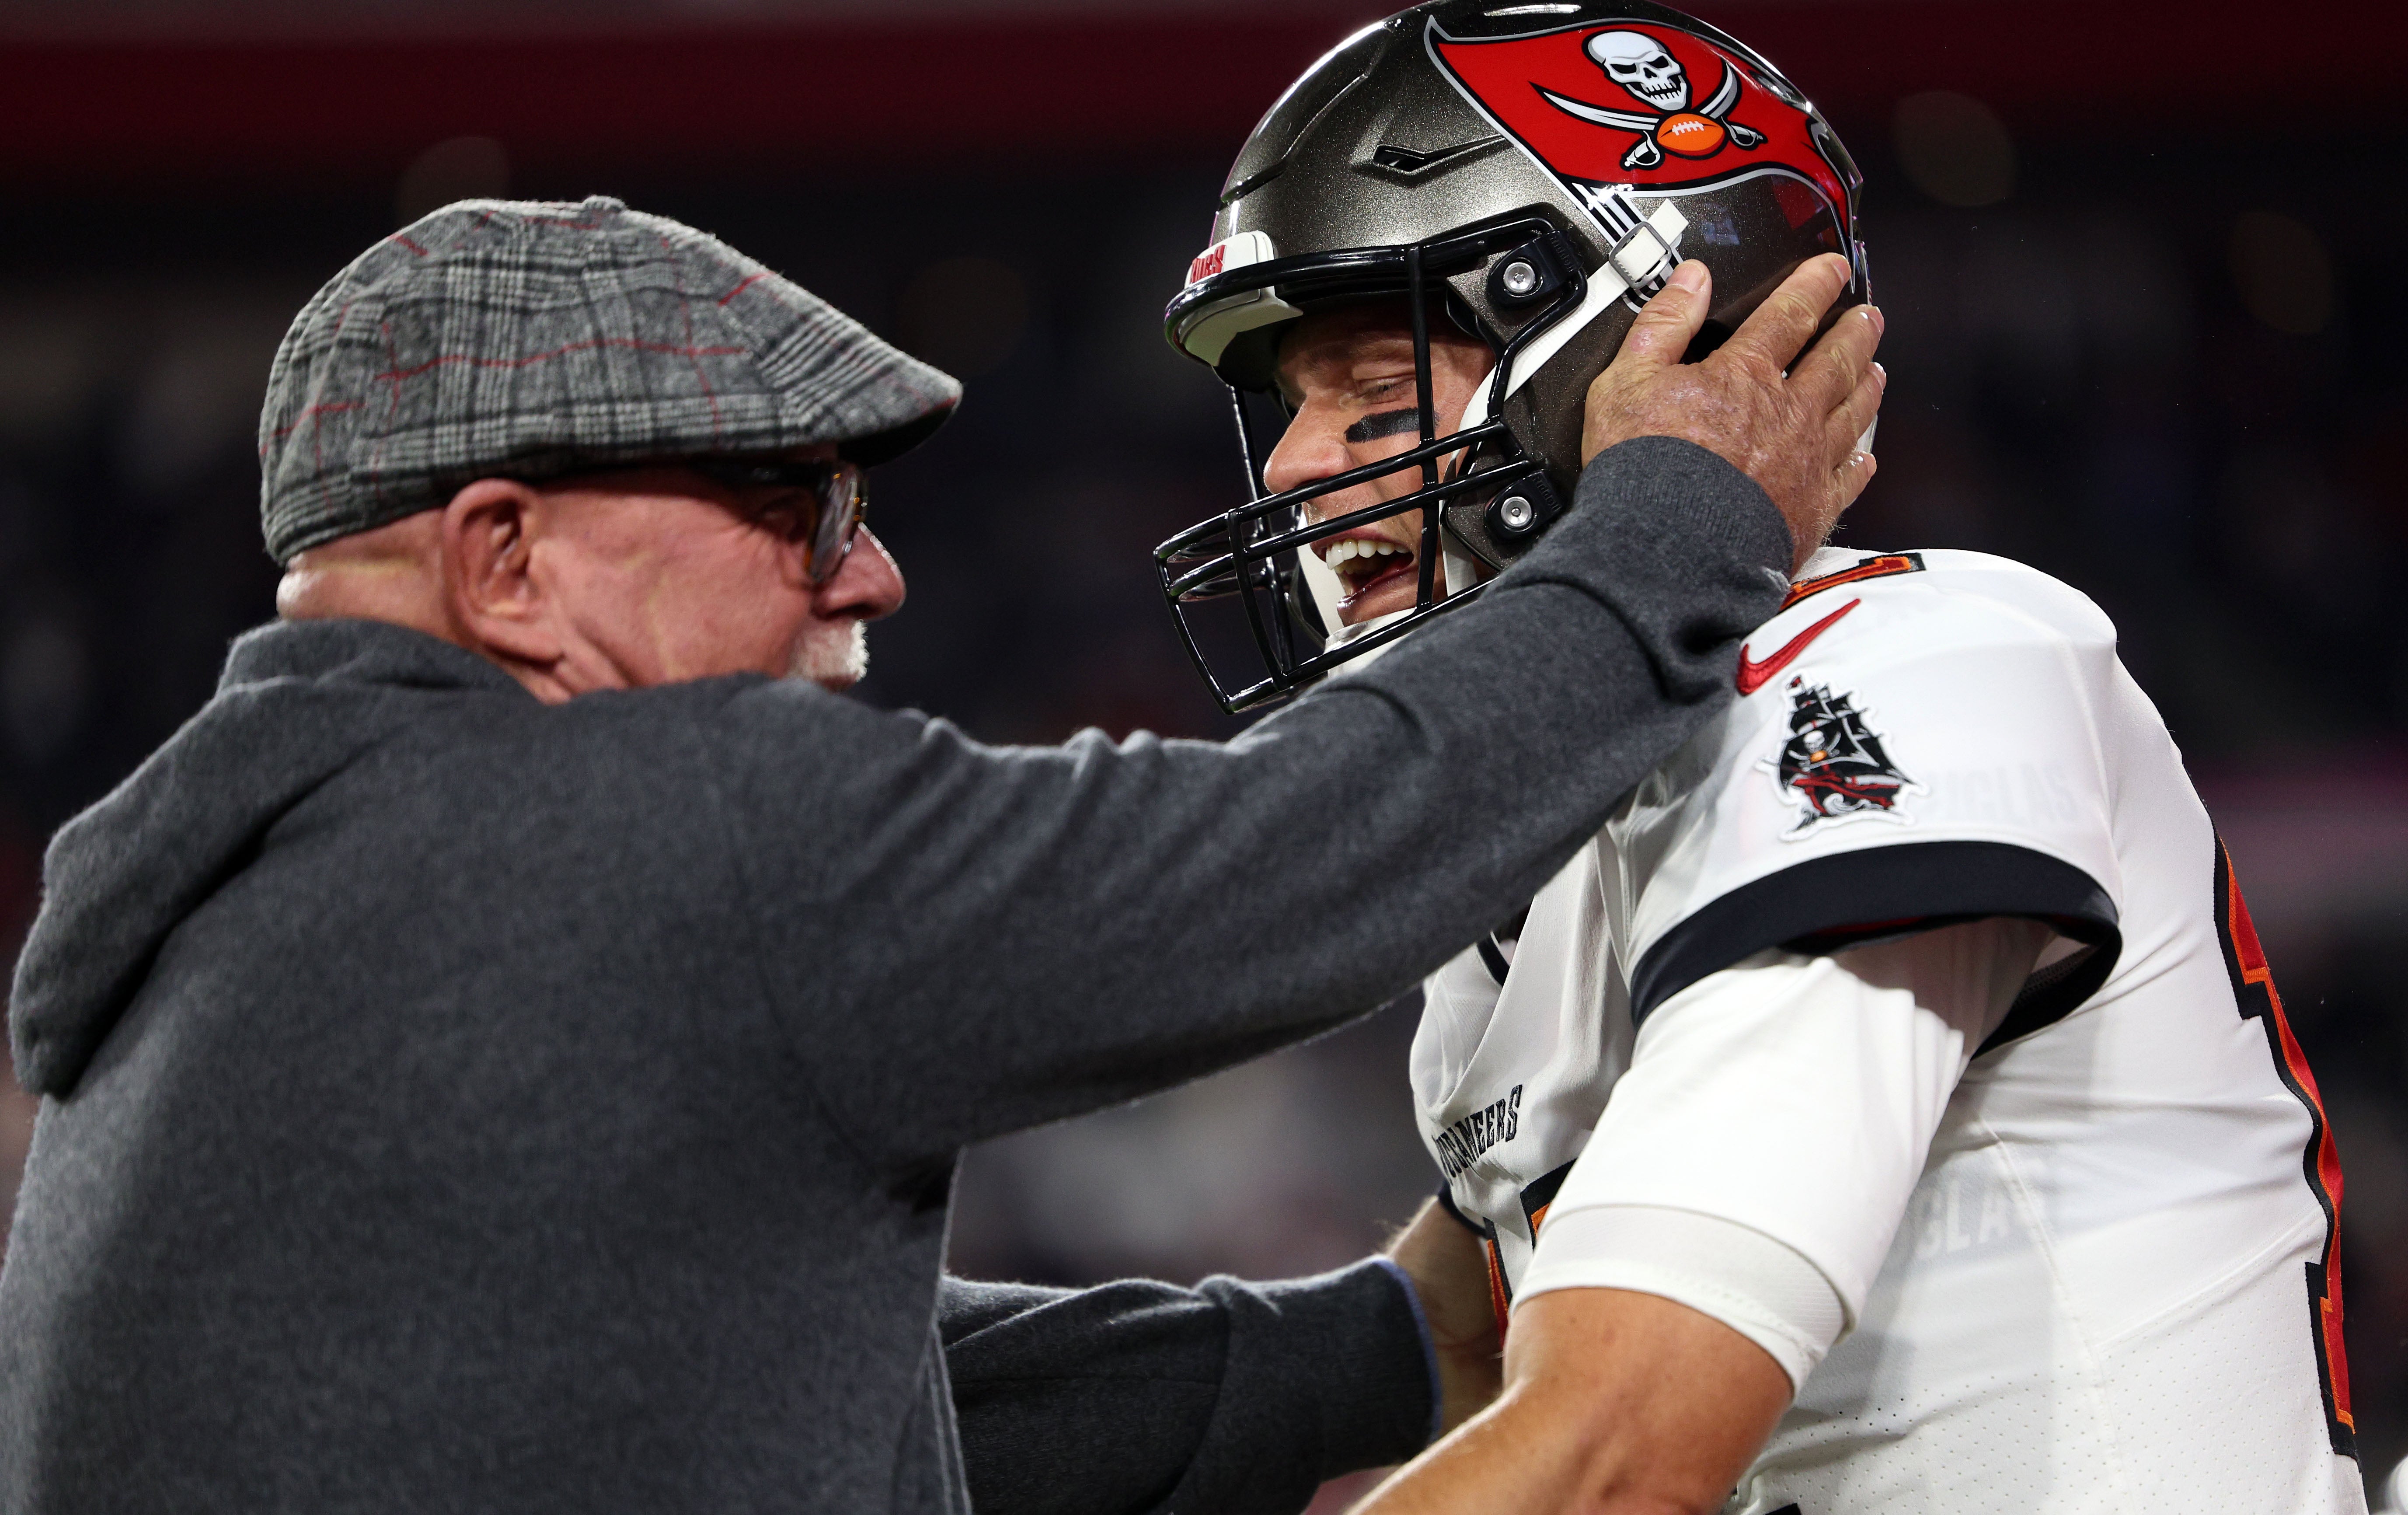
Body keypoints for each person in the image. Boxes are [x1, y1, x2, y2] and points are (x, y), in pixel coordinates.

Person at [0, 192, 1879, 1512]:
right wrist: (1677, 524)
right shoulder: (646, 825)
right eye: (795, 508)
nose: (874, 572)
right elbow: (1279, 859)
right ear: (505, 561)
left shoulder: (224, 928)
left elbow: (788, 1385)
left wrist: (1382, 1342)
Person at [1159, 4, 2366, 1512]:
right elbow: (1456, 1341)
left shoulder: (1901, 667)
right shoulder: (1537, 838)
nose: (1286, 469)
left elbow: (1614, 1456)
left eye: (1378, 399)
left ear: (1650, 351)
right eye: (1288, 410)